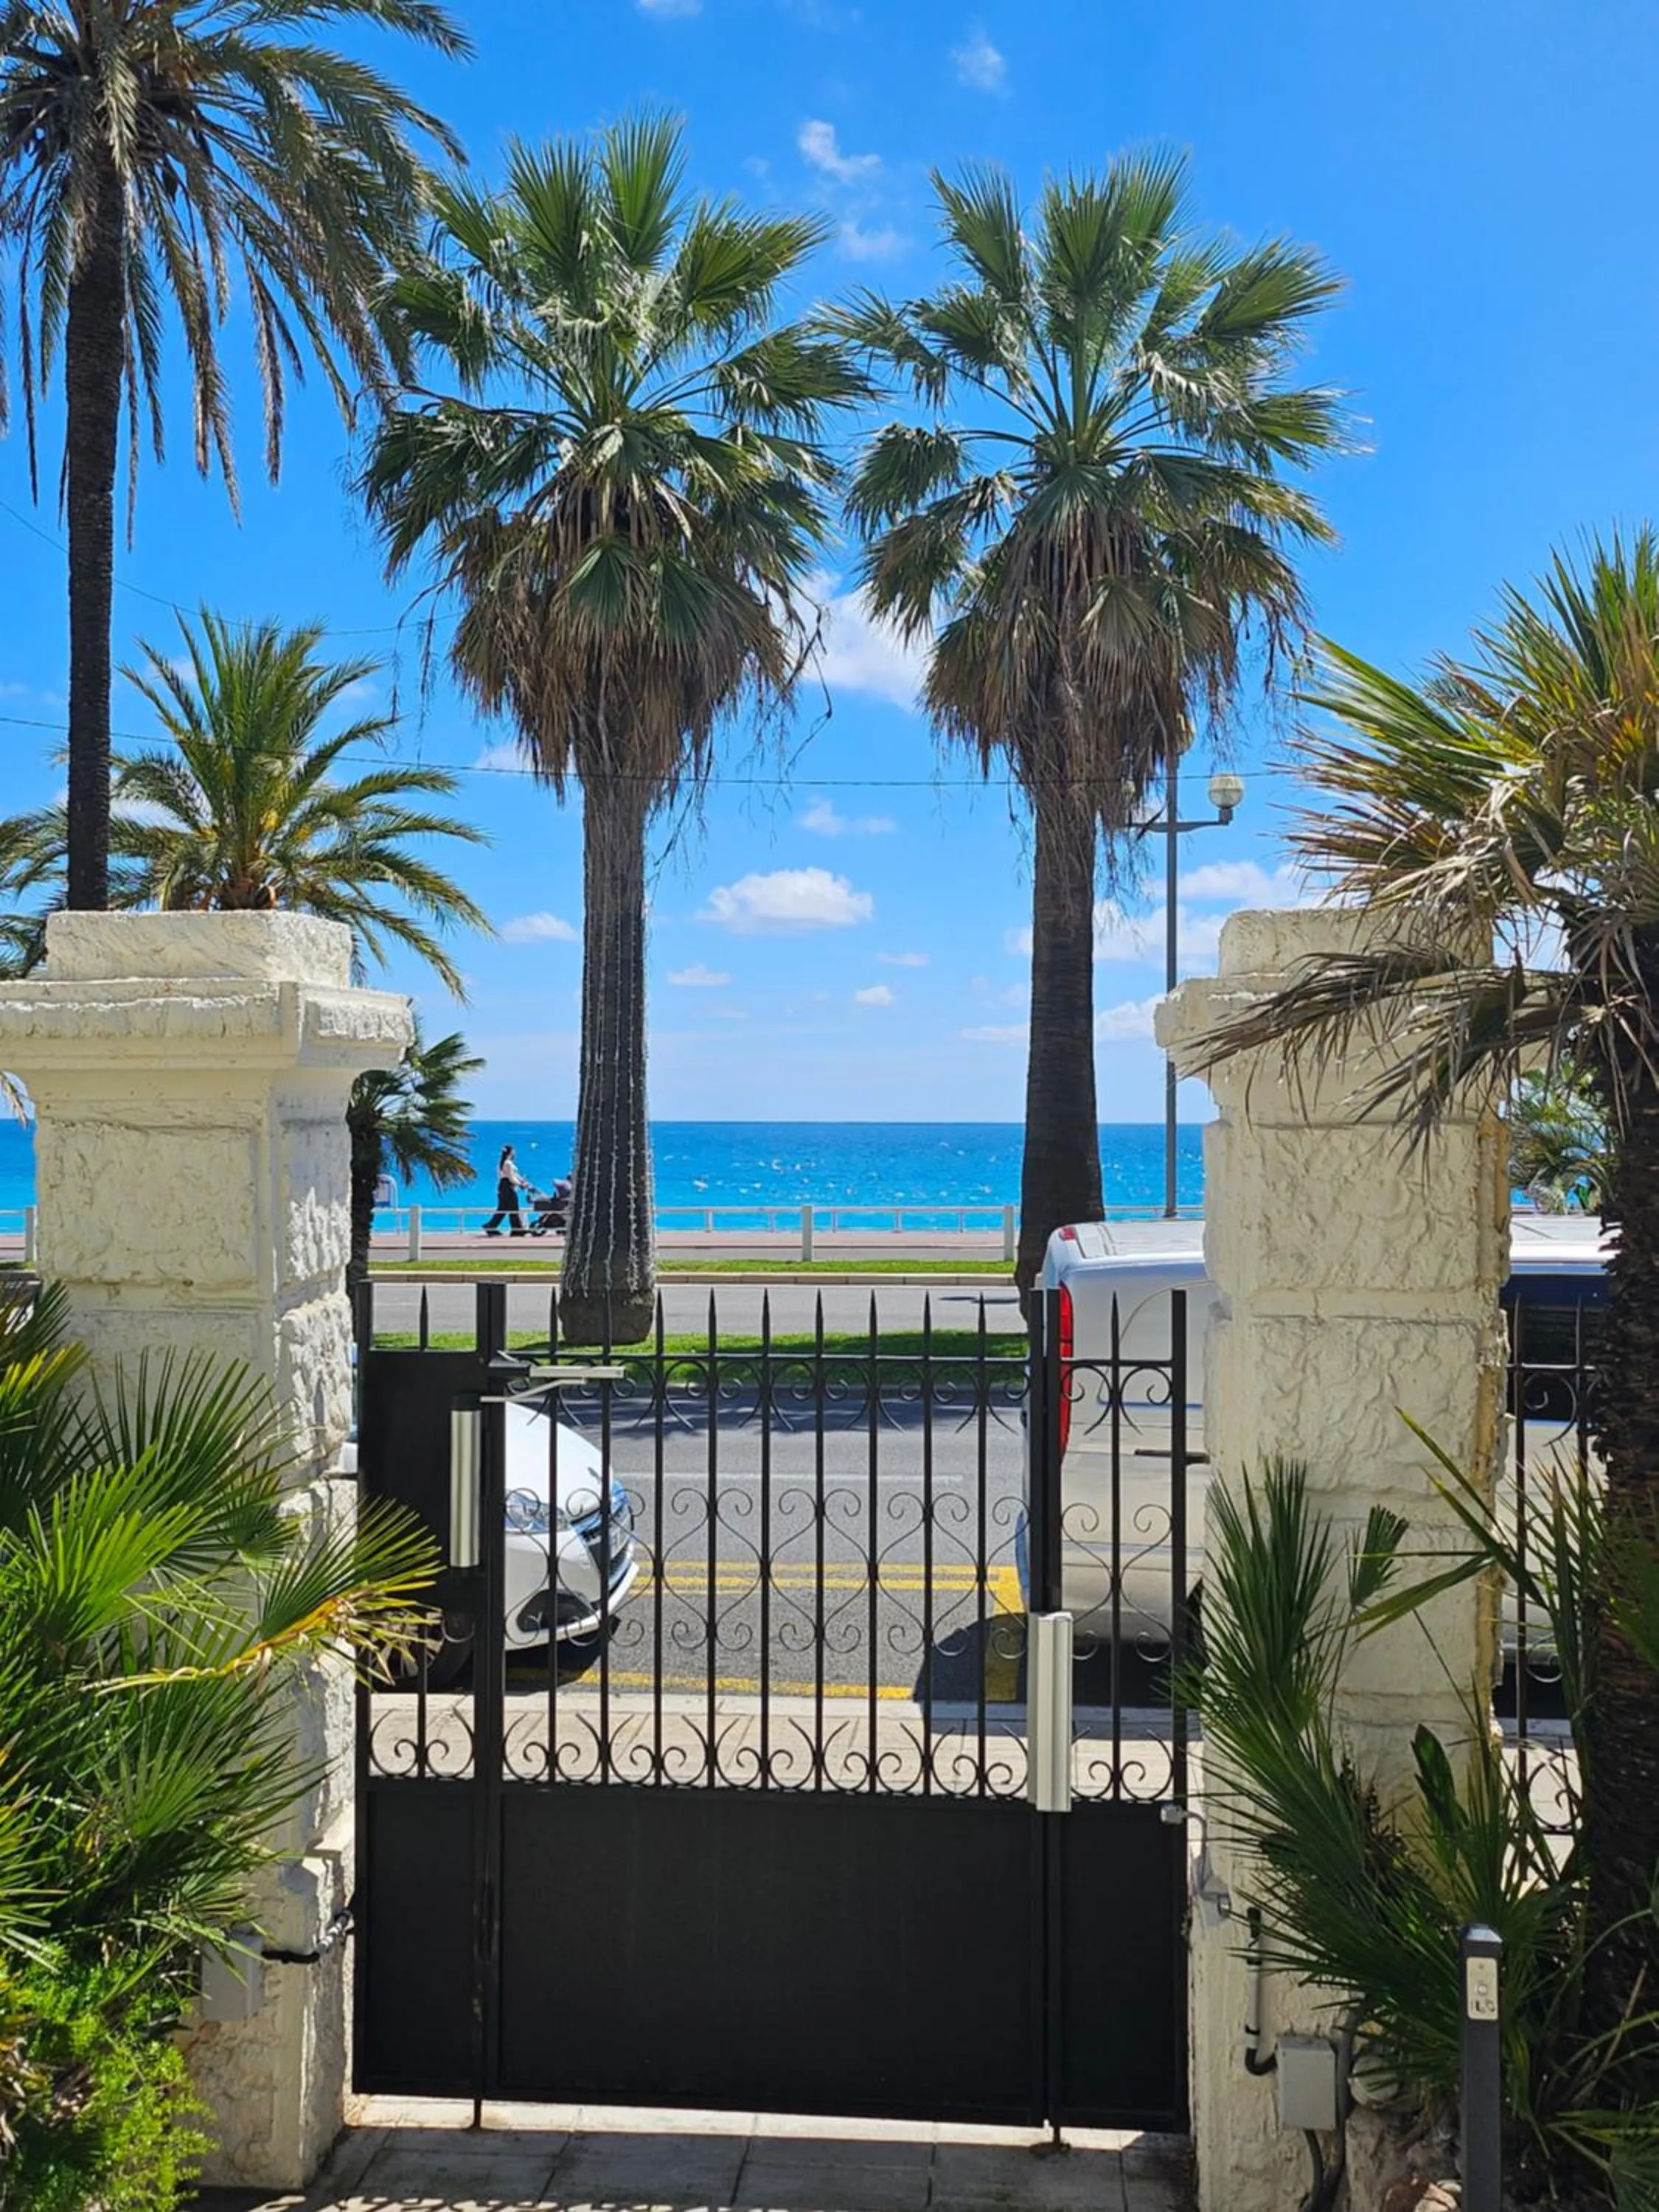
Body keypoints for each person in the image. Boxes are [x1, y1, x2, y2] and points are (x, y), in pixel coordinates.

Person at [483, 1143, 529, 1237]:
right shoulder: (508, 1164)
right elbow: (511, 1178)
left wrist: (522, 1181)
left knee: (504, 1208)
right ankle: (516, 1229)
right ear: (511, 1152)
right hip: (508, 1187)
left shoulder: (503, 1163)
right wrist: (521, 1184)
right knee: (513, 1208)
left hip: (503, 1187)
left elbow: (514, 1175)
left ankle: (492, 1226)